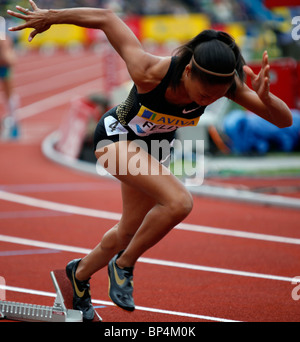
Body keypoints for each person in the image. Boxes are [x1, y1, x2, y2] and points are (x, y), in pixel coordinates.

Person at [8, 0, 293, 321]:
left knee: (128, 231)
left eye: (217, 96)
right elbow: (106, 17)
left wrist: (266, 99)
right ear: (188, 71)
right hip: (116, 139)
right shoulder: (149, 70)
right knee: (179, 202)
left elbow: (283, 122)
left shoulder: (225, 86)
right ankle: (124, 265)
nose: (207, 100)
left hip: (155, 151)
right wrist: (51, 16)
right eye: (204, 93)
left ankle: (78, 275)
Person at [0, 37, 19, 140]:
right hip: (5, 65)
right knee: (9, 95)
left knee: (9, 94)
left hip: (4, 67)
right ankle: (14, 124)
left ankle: (14, 124)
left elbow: (9, 59)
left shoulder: (4, 39)